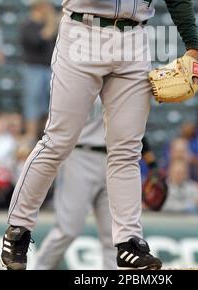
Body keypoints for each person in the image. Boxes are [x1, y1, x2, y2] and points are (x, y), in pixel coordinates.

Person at [1, 0, 198, 271]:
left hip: (134, 37)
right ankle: (18, 228)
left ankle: (129, 241)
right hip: (84, 32)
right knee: (59, 140)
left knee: (126, 149)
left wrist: (192, 46)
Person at [34, 99, 116, 270]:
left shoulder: (123, 77)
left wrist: (150, 162)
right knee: (67, 229)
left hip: (115, 158)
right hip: (79, 154)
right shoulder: (76, 74)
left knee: (115, 235)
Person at [20, 0, 59, 142]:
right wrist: (51, 22)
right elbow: (38, 41)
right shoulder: (28, 24)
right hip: (33, 68)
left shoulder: (47, 24)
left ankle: (45, 135)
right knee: (34, 101)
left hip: (50, 68)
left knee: (50, 102)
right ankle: (31, 135)